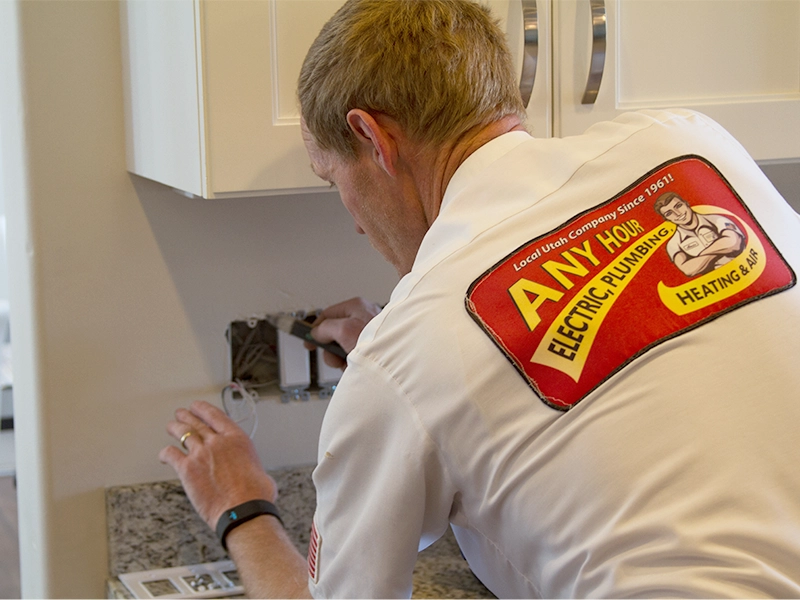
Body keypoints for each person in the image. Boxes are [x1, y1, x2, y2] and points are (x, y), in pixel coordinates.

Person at [160, 0, 800, 597]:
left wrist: (239, 506)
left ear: (373, 139)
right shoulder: (691, 145)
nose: (354, 221)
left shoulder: (404, 359)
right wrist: (402, 351)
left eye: (333, 179)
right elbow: (638, 321)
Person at [655, 191, 746, 277]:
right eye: (669, 213)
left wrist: (702, 255)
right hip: (719, 284)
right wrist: (721, 248)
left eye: (678, 206)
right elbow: (688, 269)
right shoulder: (673, 244)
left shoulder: (716, 219)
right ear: (666, 219)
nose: (677, 213)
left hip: (745, 270)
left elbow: (733, 243)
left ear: (686, 203)